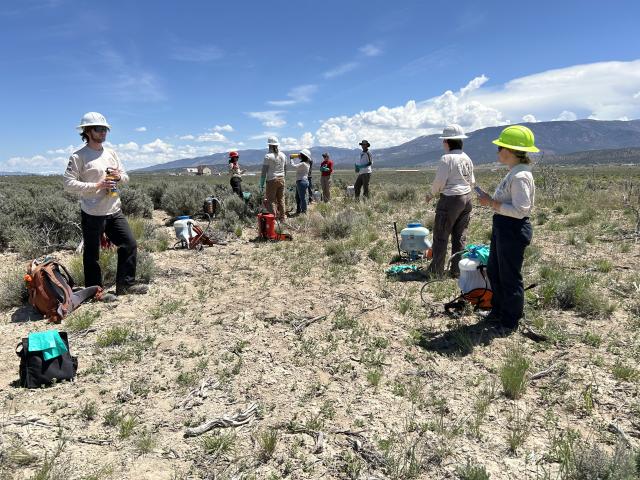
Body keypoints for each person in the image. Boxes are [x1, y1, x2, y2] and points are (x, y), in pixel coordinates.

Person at [63, 112, 147, 297]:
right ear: (87, 131)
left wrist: (118, 176)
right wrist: (97, 185)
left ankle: (126, 286)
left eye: (105, 129)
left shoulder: (111, 153)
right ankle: (96, 292)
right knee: (92, 255)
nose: (103, 132)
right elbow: (68, 184)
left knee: (129, 244)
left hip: (114, 209)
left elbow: (125, 176)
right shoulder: (78, 156)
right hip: (92, 212)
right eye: (98, 129)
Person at [476, 125, 538, 332]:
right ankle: (498, 311)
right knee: (495, 270)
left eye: (500, 147)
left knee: (509, 276)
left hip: (512, 228)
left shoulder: (520, 176)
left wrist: (491, 203)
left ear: (509, 151)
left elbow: (521, 210)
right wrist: (491, 201)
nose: (497, 151)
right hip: (503, 226)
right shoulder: (515, 172)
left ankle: (510, 321)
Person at [425, 124, 475, 278]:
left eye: (443, 140)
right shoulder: (466, 158)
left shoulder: (447, 158)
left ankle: (436, 271)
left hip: (451, 199)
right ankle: (457, 270)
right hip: (466, 198)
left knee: (441, 235)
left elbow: (439, 181)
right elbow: (472, 181)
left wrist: (430, 194)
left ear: (447, 141)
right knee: (459, 236)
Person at [260, 136, 287, 221]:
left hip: (272, 180)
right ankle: (283, 217)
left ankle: (273, 219)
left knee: (271, 200)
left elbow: (264, 172)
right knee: (281, 199)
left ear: (269, 145)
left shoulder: (268, 156)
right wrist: (282, 177)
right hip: (282, 179)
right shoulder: (283, 155)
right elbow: (285, 169)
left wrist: (261, 184)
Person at [291, 149, 312, 214]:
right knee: (298, 197)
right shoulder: (307, 163)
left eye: (301, 155)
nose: (299, 155)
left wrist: (291, 159)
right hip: (303, 181)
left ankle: (304, 212)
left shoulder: (303, 163)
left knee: (302, 198)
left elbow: (294, 166)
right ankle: (299, 210)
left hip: (301, 182)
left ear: (303, 156)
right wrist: (298, 156)